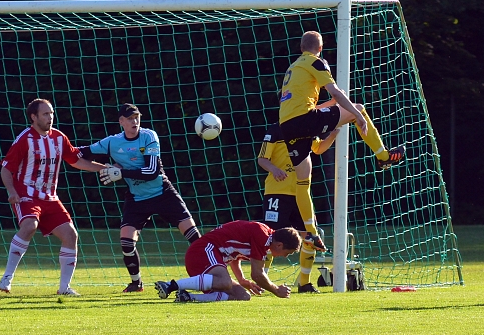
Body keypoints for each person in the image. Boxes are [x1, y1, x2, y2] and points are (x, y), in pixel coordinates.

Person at [277, 31, 406, 250]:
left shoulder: (293, 68)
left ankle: (311, 232)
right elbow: (335, 92)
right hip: (303, 120)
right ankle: (384, 156)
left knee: (303, 179)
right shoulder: (317, 62)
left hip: (287, 126)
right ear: (320, 48)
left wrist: (330, 106)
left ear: (301, 48)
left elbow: (309, 107)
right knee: (359, 109)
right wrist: (354, 115)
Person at [81, 103, 201, 293]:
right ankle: (136, 283)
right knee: (126, 242)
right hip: (137, 198)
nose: (134, 121)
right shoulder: (112, 142)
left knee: (194, 236)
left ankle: (209, 275)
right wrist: (102, 168)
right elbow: (82, 153)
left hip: (163, 192)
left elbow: (152, 171)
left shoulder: (149, 136)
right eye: (129, 118)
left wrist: (121, 173)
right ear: (121, 122)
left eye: (136, 117)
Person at [0, 98, 110, 296]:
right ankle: (7, 277)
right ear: (33, 117)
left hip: (50, 197)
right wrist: (12, 192)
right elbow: (6, 169)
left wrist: (106, 169)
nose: (50, 117)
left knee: (71, 235)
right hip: (27, 194)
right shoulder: (24, 139)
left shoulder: (59, 138)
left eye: (51, 113)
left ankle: (64, 288)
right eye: (45, 114)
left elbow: (77, 161)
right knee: (29, 226)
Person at [257, 122, 339, 293]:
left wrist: (333, 134)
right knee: (270, 236)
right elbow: (262, 159)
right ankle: (261, 280)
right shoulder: (275, 130)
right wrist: (274, 169)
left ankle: (304, 283)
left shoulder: (306, 128)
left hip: (302, 195)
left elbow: (318, 149)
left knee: (309, 236)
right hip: (277, 192)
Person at [154, 220, 302, 302]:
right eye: (287, 253)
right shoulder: (262, 237)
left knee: (242, 296)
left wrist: (241, 280)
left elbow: (234, 257)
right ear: (279, 245)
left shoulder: (265, 236)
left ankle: (188, 297)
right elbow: (257, 274)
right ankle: (170, 286)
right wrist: (276, 290)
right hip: (203, 250)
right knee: (224, 282)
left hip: (210, 256)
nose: (284, 257)